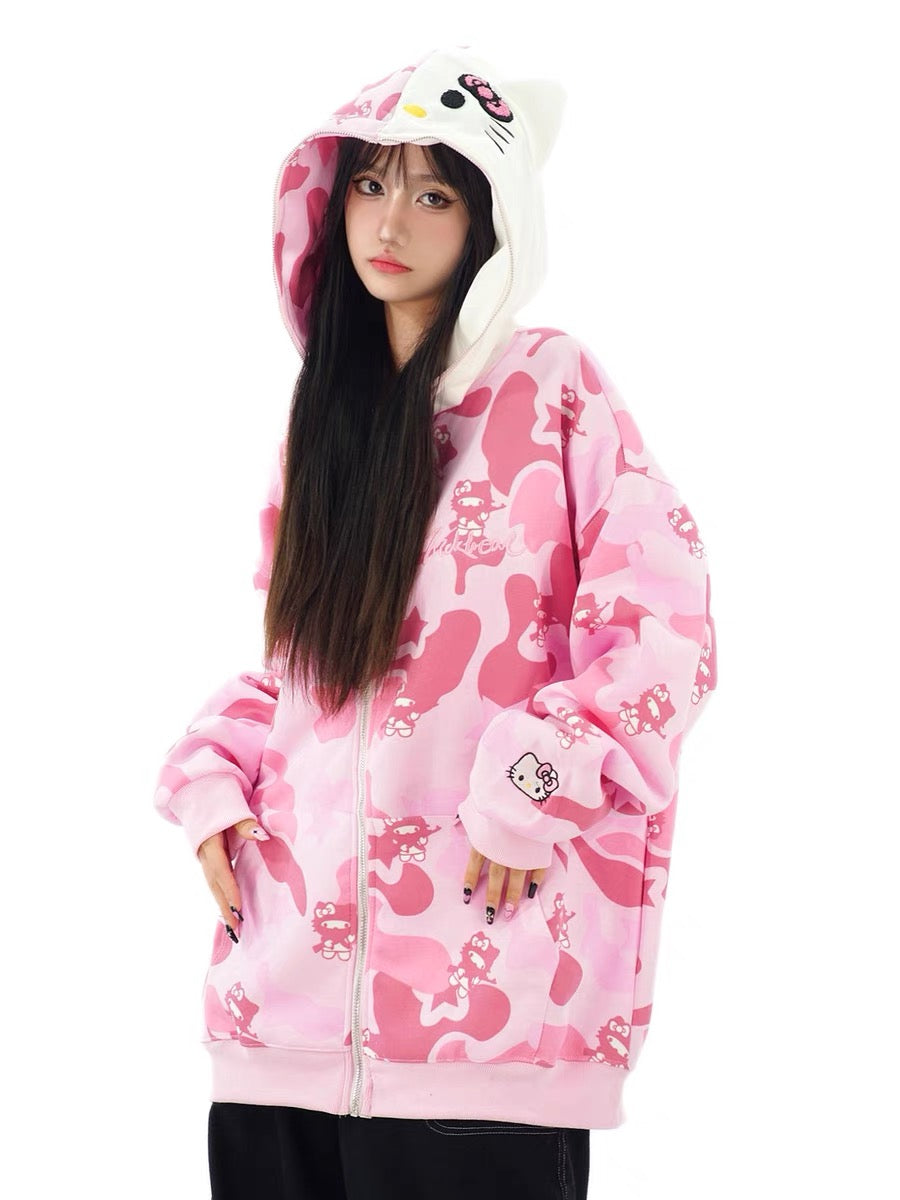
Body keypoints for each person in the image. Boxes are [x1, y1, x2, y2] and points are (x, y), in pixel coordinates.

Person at [153, 44, 718, 1200]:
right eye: (369, 183)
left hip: (488, 1032)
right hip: (278, 1026)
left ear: (493, 221)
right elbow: (298, 678)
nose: (389, 219)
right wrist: (214, 780)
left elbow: (664, 632)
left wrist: (533, 785)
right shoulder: (324, 425)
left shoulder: (555, 389)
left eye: (434, 193)